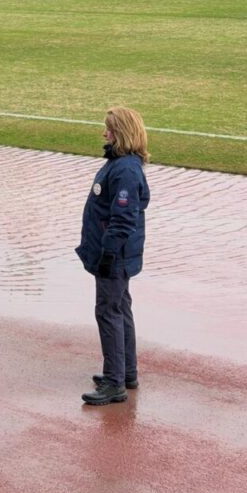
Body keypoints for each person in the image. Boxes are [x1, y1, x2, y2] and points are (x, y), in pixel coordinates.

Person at [75, 107, 150, 406]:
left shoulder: (125, 170)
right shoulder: (122, 164)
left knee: (108, 312)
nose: (105, 133)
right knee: (120, 308)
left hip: (114, 256)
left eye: (110, 129)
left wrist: (107, 253)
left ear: (122, 133)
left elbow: (123, 218)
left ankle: (115, 382)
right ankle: (126, 372)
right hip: (117, 254)